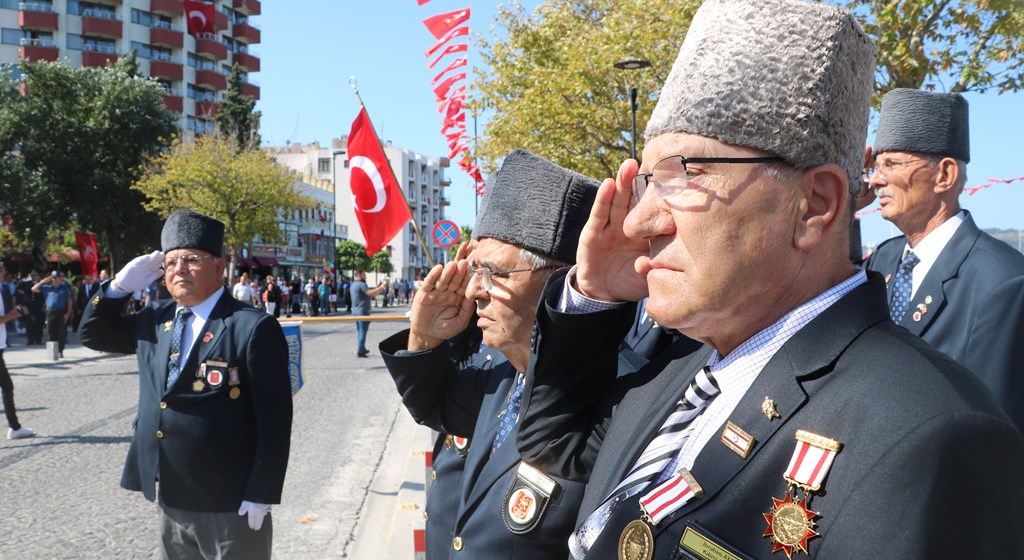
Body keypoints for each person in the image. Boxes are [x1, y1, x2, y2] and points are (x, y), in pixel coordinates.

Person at [515, 1, 1024, 558]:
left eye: (684, 175)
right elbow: (552, 460)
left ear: (814, 205)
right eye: (647, 183)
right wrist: (595, 298)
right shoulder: (684, 369)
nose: (639, 223)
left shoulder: (935, 438)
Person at [380, 149, 602, 559]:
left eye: (495, 274)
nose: (474, 290)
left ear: (560, 280)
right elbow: (435, 405)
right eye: (474, 272)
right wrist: (424, 336)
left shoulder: (608, 393)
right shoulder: (506, 371)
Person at [79, 209, 293, 559]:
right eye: (171, 262)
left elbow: (275, 420)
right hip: (171, 494)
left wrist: (262, 491)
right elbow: (92, 334)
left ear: (220, 268)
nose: (179, 269)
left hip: (230, 500)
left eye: (192, 260)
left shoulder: (250, 327)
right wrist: (118, 288)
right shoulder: (155, 320)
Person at [863, 89, 1024, 431]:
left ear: (944, 175)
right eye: (875, 167)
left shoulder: (1003, 280)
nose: (876, 179)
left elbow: (994, 428)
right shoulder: (883, 259)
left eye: (891, 164)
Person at [1, 263, 33, 440]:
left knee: (7, 387)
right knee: (6, 387)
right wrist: (14, 315)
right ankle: (14, 427)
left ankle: (15, 427)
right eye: (1, 269)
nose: (4, 272)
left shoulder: (2, 288)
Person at [32, 271, 73, 358]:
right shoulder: (47, 288)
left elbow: (69, 301)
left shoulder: (64, 288)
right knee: (51, 332)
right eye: (53, 278)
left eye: (56, 277)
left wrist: (68, 313)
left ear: (59, 278)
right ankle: (52, 351)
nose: (54, 279)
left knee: (61, 332)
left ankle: (60, 350)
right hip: (50, 312)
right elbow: (33, 289)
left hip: (61, 312)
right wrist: (43, 281)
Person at [350, 270, 385, 357]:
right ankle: (360, 350)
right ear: (359, 274)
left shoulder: (353, 284)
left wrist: (377, 288)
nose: (365, 276)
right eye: (364, 274)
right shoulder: (362, 284)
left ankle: (362, 348)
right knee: (362, 331)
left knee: (360, 331)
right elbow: (371, 294)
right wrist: (381, 288)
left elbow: (370, 293)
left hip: (355, 310)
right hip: (362, 311)